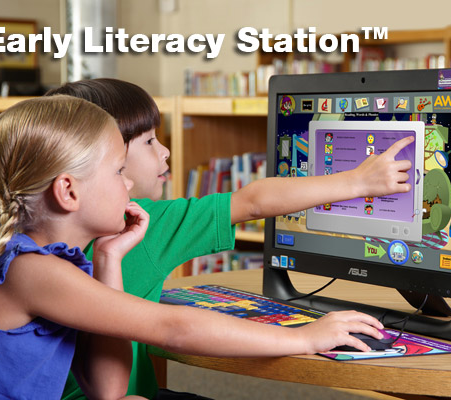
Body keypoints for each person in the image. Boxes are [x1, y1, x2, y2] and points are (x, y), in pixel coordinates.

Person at [0, 95, 392, 400]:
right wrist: (304, 337)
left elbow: (107, 391)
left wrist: (109, 259)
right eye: (118, 171)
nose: (130, 184)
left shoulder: (61, 261)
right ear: (68, 192)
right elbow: (173, 328)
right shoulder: (32, 271)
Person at [47, 79, 415, 400]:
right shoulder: (144, 223)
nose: (165, 151)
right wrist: (358, 182)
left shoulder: (49, 239)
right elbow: (252, 202)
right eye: (149, 141)